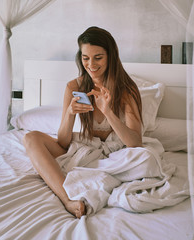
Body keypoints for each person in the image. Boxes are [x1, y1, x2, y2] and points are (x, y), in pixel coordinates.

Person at [23, 26, 143, 218]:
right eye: (85, 58)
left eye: (98, 57)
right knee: (30, 138)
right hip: (86, 145)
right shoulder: (74, 86)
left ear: (111, 56)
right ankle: (67, 199)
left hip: (118, 151)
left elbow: (136, 143)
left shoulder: (126, 89)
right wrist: (70, 113)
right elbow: (62, 142)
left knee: (147, 160)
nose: (91, 64)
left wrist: (108, 111)